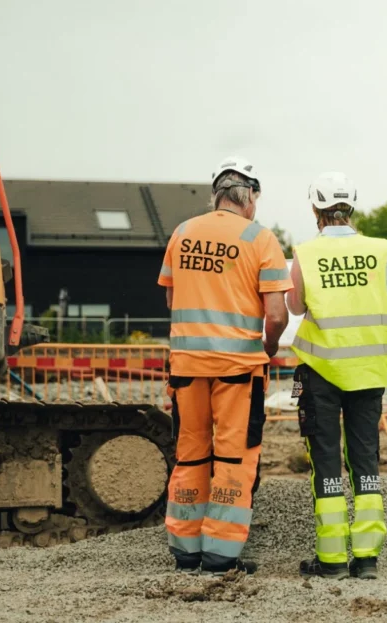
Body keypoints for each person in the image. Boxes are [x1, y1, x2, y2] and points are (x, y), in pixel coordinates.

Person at [157, 155, 292, 575]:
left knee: (190, 453)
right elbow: (277, 315)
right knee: (234, 457)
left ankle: (185, 549)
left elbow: (171, 299)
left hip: (187, 366)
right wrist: (267, 348)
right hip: (237, 369)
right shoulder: (259, 238)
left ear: (215, 194)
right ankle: (220, 554)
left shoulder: (183, 233)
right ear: (248, 196)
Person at [286, 171, 387, 580]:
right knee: (365, 460)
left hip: (321, 370)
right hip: (367, 372)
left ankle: (331, 561)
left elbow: (293, 307)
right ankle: (367, 559)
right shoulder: (377, 250)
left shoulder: (306, 254)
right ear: (352, 207)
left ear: (315, 210)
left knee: (325, 462)